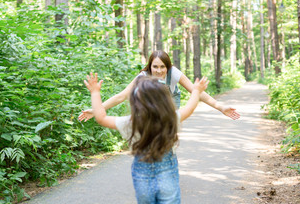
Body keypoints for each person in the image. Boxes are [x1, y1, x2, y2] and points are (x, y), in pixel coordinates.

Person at [84, 72, 209, 203]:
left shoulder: (131, 123)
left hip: (142, 173)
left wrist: (95, 93)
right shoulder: (171, 119)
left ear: (135, 102)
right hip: (167, 171)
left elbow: (101, 118)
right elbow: (190, 107)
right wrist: (196, 91)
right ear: (165, 102)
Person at [78, 50, 240, 122]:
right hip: (150, 103)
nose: (159, 71)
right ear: (150, 67)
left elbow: (196, 92)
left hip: (171, 100)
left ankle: (168, 151)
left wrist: (220, 107)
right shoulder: (143, 76)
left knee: (170, 128)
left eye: (163, 67)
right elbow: (122, 96)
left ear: (168, 67)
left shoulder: (174, 73)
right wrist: (97, 108)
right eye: (155, 67)